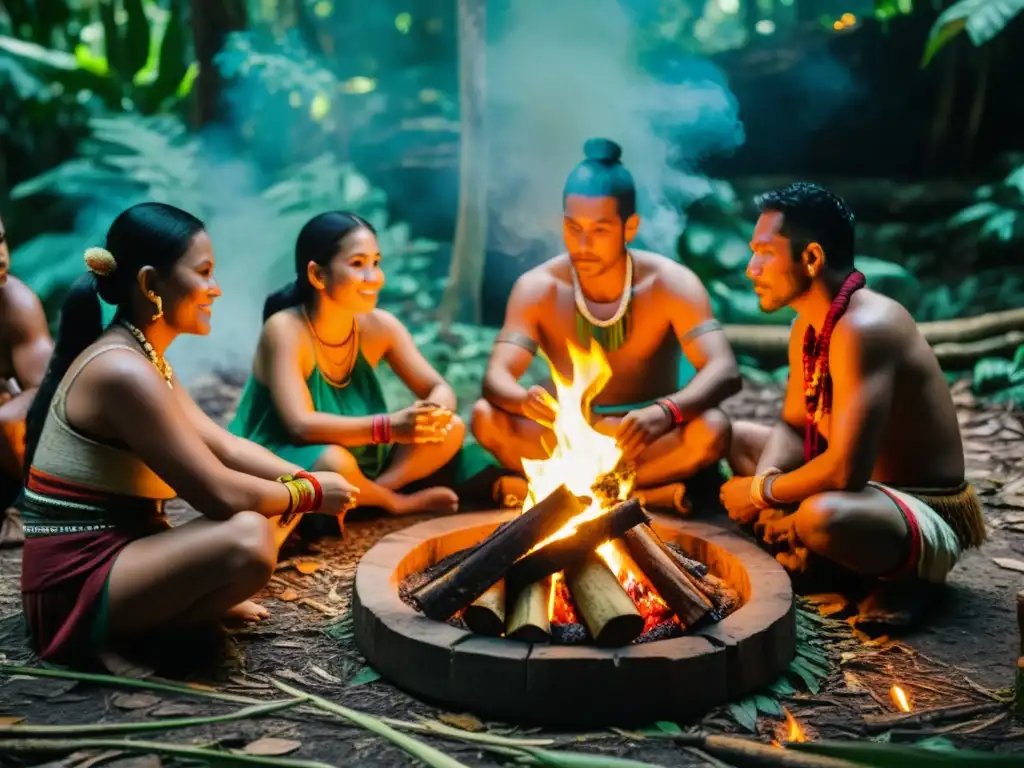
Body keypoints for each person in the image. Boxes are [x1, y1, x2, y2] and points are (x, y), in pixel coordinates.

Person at [20, 202, 357, 668]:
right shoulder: (122, 371)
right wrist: (311, 492)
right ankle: (145, 628)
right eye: (203, 272)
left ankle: (176, 609)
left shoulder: (144, 356)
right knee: (248, 537)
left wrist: (304, 477)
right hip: (75, 584)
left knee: (271, 510)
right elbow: (215, 492)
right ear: (150, 284)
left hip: (124, 555)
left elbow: (224, 445)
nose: (215, 289)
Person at [721, 182, 985, 625]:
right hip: (857, 493)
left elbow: (846, 470)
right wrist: (767, 490)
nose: (752, 268)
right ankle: (818, 552)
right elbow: (791, 426)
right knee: (742, 438)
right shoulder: (808, 327)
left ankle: (906, 581)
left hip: (915, 509)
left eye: (765, 252)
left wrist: (758, 492)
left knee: (821, 516)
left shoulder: (865, 327)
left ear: (811, 259)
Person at [472, 138, 740, 503]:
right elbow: (495, 378)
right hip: (566, 435)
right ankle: (644, 495)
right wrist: (521, 401)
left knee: (712, 429)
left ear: (629, 228)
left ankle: (577, 493)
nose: (583, 244)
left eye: (599, 230)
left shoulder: (671, 283)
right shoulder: (538, 288)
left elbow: (723, 370)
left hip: (646, 439)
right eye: (574, 228)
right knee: (486, 417)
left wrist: (665, 412)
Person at [229, 211, 495, 522]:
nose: (374, 277)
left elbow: (439, 388)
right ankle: (392, 502)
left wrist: (431, 414)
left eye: (376, 263)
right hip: (285, 456)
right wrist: (390, 427)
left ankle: (372, 491)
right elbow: (299, 427)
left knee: (451, 428)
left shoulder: (381, 327)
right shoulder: (285, 329)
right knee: (335, 463)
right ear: (317, 275)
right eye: (358, 264)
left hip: (361, 458)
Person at [0, 212, 55, 546]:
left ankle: (26, 508)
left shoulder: (15, 304)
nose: (0, 255)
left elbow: (47, 388)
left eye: (1, 241)